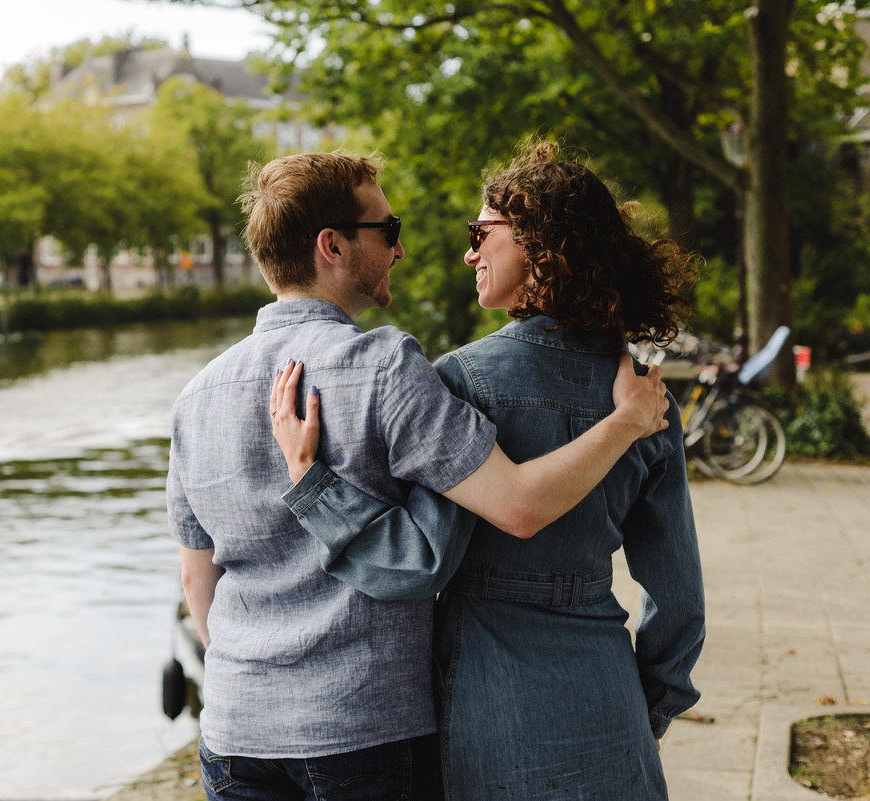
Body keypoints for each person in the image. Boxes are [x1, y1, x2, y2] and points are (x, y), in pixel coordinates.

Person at [166, 151, 672, 801]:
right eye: (388, 229)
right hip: (363, 726)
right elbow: (515, 505)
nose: (400, 249)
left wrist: (250, 684)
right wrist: (629, 420)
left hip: (237, 730)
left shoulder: (195, 396)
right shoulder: (385, 366)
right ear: (332, 246)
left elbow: (196, 576)